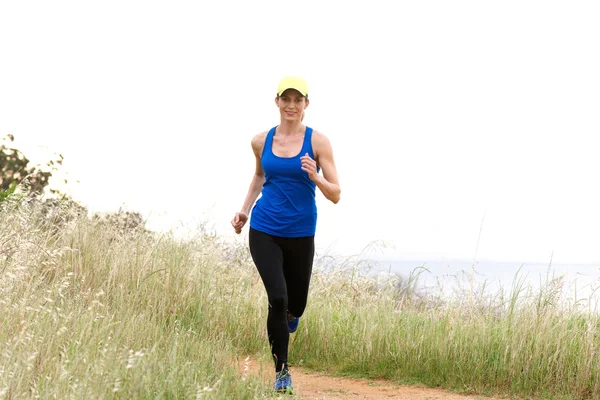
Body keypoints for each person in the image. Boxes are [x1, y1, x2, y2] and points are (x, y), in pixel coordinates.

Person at [231, 76, 341, 393]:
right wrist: (245, 210)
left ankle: (291, 316)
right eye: (286, 99)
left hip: (301, 231)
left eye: (298, 100)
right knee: (277, 299)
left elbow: (336, 194)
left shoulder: (318, 143)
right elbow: (259, 175)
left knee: (297, 305)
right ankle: (281, 373)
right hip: (264, 228)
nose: (291, 105)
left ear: (306, 104)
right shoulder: (260, 141)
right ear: (277, 102)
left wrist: (314, 177)